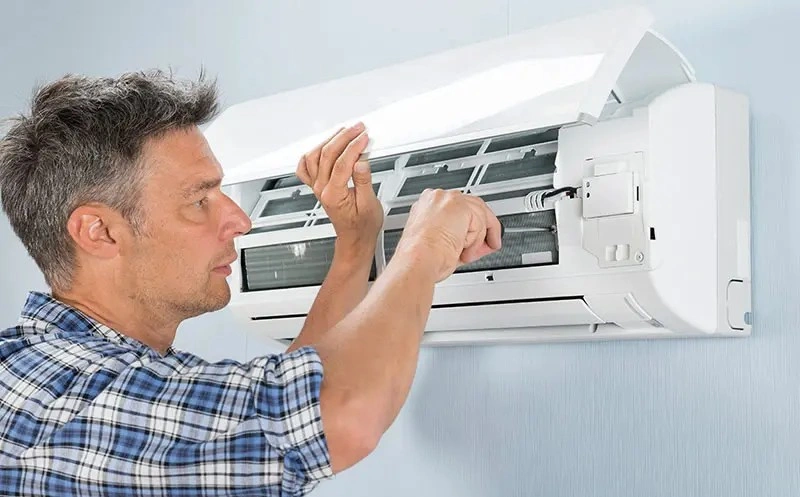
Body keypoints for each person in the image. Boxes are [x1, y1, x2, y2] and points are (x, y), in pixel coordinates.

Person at [0, 70, 501, 496]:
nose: (240, 220)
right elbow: (333, 417)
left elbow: (274, 426)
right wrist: (423, 249)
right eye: (199, 201)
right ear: (100, 231)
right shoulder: (50, 396)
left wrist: (356, 245)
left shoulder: (108, 375)